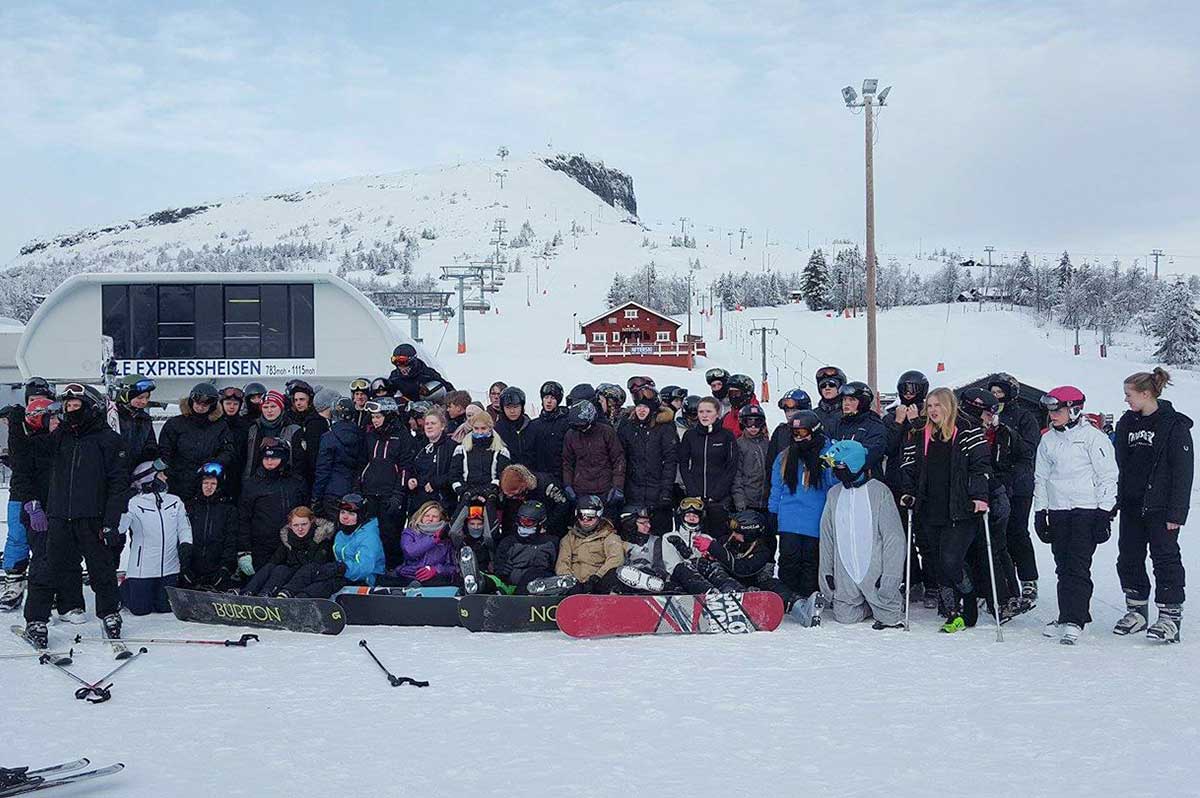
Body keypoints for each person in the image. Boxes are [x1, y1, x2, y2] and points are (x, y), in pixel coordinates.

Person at [22, 384, 128, 648]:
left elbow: (118, 483)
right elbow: (27, 455)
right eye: (67, 406)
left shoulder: (109, 440)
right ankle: (36, 619)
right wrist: (21, 423)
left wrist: (111, 521)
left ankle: (109, 613)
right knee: (46, 567)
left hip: (93, 518)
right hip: (58, 516)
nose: (70, 411)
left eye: (75, 405)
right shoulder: (60, 437)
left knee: (101, 569)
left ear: (91, 407)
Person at [899, 387, 991, 634]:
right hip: (930, 507)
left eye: (937, 405)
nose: (932, 410)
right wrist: (908, 492)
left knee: (952, 561)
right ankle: (952, 612)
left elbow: (981, 465)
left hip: (960, 508)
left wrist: (980, 496)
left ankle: (969, 600)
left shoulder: (968, 430)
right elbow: (908, 465)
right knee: (938, 563)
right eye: (929, 406)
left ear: (950, 406)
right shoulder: (919, 432)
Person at [1033, 386, 1118, 644]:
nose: (1052, 415)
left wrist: (1104, 513)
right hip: (1059, 510)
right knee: (1062, 566)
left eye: (1057, 410)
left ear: (1074, 410)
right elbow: (1041, 478)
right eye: (1050, 410)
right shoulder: (1048, 440)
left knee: (1078, 566)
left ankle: (1075, 620)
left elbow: (1108, 476)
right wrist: (1041, 512)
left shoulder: (1093, 438)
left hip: (1086, 510)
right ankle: (1068, 614)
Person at [1113, 368, 1191, 643]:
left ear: (1146, 394)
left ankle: (1170, 617)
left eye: (1129, 395)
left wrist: (1177, 512)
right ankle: (1136, 611)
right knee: (1129, 557)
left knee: (1165, 559)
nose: (1126, 400)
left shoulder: (1173, 425)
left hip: (1162, 507)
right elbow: (1119, 464)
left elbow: (1183, 472)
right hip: (1132, 505)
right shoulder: (1127, 423)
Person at [819, 440, 906, 629]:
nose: (835, 471)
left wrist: (890, 576)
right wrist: (826, 573)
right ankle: (863, 604)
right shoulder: (834, 494)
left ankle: (876, 601)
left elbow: (895, 538)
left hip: (876, 574)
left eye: (839, 466)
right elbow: (827, 537)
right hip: (846, 572)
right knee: (845, 617)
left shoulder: (879, 491)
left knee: (889, 616)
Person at [959, 387, 1025, 620]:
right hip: (983, 494)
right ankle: (1000, 596)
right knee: (986, 549)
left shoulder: (984, 432)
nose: (992, 418)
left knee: (991, 548)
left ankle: (1003, 599)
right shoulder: (968, 430)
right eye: (988, 413)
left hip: (990, 496)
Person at [768, 410, 835, 602]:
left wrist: (829, 463)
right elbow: (777, 487)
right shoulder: (785, 456)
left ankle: (809, 596)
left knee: (811, 560)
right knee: (789, 559)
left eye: (802, 433)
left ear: (814, 431)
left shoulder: (827, 452)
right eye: (794, 433)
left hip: (816, 517)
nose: (798, 437)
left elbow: (833, 483)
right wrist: (772, 512)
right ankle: (787, 597)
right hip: (790, 517)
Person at [987, 372, 1041, 608]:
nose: (996, 397)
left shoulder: (1024, 416)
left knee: (1017, 531)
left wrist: (1006, 430)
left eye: (1000, 393)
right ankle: (1000, 583)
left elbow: (1029, 448)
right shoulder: (986, 415)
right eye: (993, 393)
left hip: (1018, 484)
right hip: (994, 483)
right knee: (996, 535)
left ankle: (1029, 578)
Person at [1, 397, 56, 613]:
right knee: (17, 536)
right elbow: (17, 453)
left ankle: (47, 585)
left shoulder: (56, 438)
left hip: (48, 496)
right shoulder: (22, 436)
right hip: (21, 494)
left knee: (48, 543)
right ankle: (14, 581)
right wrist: (15, 422)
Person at [118, 460, 192, 615]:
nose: (165, 478)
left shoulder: (175, 501)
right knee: (140, 610)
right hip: (142, 569)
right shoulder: (133, 503)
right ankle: (124, 588)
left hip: (170, 566)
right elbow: (120, 528)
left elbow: (184, 526)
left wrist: (186, 544)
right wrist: (122, 506)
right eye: (161, 475)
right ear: (149, 479)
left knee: (165, 608)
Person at [238, 437, 308, 575]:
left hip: (291, 546)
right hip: (262, 548)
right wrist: (243, 551)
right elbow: (243, 519)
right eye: (266, 458)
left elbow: (306, 513)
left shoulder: (296, 482)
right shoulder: (252, 485)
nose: (270, 462)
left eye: (274, 458)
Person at [357, 397, 413, 567]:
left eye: (378, 417)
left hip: (391, 493)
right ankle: (374, 566)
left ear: (388, 415)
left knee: (390, 534)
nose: (375, 421)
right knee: (371, 533)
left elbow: (405, 466)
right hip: (370, 491)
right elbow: (362, 463)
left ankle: (393, 568)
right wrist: (359, 487)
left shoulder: (402, 435)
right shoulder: (370, 435)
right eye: (373, 417)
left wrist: (398, 494)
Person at [159, 382, 236, 504]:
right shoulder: (175, 424)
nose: (200, 407)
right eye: (198, 403)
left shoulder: (220, 426)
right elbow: (165, 450)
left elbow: (228, 450)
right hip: (179, 481)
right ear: (191, 401)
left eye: (205, 405)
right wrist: (167, 471)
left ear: (212, 405)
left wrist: (214, 464)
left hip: (207, 480)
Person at [616, 387, 678, 531]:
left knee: (658, 535)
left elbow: (670, 462)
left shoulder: (665, 428)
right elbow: (621, 458)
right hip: (633, 493)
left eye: (646, 407)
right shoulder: (628, 427)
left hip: (657, 493)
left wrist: (666, 492)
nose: (641, 410)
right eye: (639, 406)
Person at [241, 506, 334, 597]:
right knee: (275, 568)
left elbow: (315, 565)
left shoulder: (321, 539)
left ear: (311, 522)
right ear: (290, 526)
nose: (300, 528)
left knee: (294, 569)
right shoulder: (288, 539)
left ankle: (275, 594)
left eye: (304, 524)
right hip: (289, 578)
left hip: (308, 579)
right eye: (296, 525)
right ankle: (249, 591)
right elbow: (274, 561)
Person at [678, 397, 738, 533]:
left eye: (708, 411)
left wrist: (716, 494)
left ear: (717, 413)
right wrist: (693, 492)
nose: (704, 415)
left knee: (716, 539)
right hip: (695, 499)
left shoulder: (727, 436)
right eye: (701, 411)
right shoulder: (690, 435)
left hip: (719, 499)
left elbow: (731, 466)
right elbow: (683, 464)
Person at [562, 400, 626, 517]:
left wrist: (617, 486)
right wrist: (568, 485)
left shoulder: (606, 432)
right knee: (584, 522)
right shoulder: (571, 435)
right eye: (577, 427)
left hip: (605, 489)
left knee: (606, 524)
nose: (581, 429)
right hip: (580, 490)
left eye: (582, 426)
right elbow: (567, 463)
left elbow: (618, 460)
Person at [182, 463, 238, 592]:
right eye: (205, 483)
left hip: (217, 569)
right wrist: (183, 566)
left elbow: (231, 539)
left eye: (213, 484)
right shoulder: (189, 507)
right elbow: (181, 536)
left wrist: (225, 567)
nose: (209, 487)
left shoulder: (228, 509)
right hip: (191, 568)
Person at [495, 500, 568, 594]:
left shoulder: (551, 542)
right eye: (521, 520)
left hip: (541, 587)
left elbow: (556, 567)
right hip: (511, 587)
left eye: (528, 522)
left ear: (540, 522)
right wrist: (502, 569)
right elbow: (499, 567)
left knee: (533, 574)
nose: (523, 525)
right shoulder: (509, 542)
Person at [312, 397, 366, 520]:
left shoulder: (329, 437)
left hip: (332, 491)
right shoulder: (362, 435)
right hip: (354, 491)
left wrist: (316, 497)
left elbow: (323, 469)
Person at [556, 495, 623, 593]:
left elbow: (616, 559)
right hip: (573, 586)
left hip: (599, 584)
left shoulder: (609, 536)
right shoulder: (569, 538)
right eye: (581, 516)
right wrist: (570, 580)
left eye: (590, 518)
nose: (585, 521)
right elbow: (562, 563)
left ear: (599, 515)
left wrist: (597, 577)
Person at [382, 501, 458, 587]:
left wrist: (436, 570)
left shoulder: (446, 539)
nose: (430, 519)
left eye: (435, 516)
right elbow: (410, 552)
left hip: (436, 580)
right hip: (409, 576)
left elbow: (453, 567)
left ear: (440, 519)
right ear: (421, 516)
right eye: (427, 515)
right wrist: (433, 539)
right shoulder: (410, 532)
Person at [449, 410, 511, 512]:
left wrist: (490, 489)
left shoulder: (501, 450)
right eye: (476, 428)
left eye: (483, 428)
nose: (479, 432)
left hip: (491, 498)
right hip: (466, 497)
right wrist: (464, 491)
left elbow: (503, 475)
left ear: (490, 428)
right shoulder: (461, 448)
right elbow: (454, 474)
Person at [406, 408, 458, 517]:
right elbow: (411, 467)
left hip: (441, 500)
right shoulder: (419, 445)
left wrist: (436, 482)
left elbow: (455, 473)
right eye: (427, 424)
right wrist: (412, 478)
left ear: (442, 426)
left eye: (433, 423)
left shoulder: (452, 446)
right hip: (418, 501)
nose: (429, 426)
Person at [498, 464, 572, 537]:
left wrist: (546, 525)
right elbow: (509, 516)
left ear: (525, 484)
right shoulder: (509, 496)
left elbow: (563, 505)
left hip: (550, 526)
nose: (517, 498)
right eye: (511, 497)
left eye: (518, 494)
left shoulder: (547, 485)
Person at [284, 380, 329, 493]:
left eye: (302, 399)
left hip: (313, 472)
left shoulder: (317, 421)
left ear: (309, 400)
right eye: (296, 400)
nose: (298, 403)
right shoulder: (290, 419)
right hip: (297, 471)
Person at [835, 381, 887, 476]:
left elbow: (871, 454)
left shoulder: (874, 425)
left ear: (863, 402)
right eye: (844, 399)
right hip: (843, 481)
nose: (846, 403)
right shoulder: (841, 424)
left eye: (852, 400)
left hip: (868, 480)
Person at [612, 507, 669, 594]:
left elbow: (660, 565)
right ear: (631, 524)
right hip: (625, 582)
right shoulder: (619, 542)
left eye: (649, 522)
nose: (648, 526)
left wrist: (657, 574)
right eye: (643, 523)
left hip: (649, 582)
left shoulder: (655, 541)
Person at [525, 381, 570, 485]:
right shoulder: (533, 425)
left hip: (561, 478)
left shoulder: (566, 423)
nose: (549, 401)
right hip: (540, 479)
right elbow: (529, 454)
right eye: (546, 397)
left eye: (553, 398)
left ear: (558, 400)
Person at [732, 404, 771, 513]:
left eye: (757, 423)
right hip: (748, 501)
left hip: (766, 500)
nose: (753, 427)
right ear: (743, 423)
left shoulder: (768, 444)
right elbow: (736, 475)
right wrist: (739, 500)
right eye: (749, 423)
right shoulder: (739, 445)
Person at [114, 374, 158, 465]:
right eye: (140, 397)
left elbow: (151, 443)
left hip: (135, 470)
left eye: (147, 398)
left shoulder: (144, 418)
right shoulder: (112, 415)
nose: (144, 402)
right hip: (113, 469)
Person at [388, 343, 453, 403]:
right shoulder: (394, 376)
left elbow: (448, 389)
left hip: (428, 409)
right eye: (394, 360)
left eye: (402, 360)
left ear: (412, 359)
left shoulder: (427, 374)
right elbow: (387, 394)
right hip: (404, 410)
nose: (399, 365)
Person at [766, 388, 813, 473]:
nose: (790, 414)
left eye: (794, 410)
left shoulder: (814, 431)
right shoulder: (780, 432)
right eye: (787, 410)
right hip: (782, 481)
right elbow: (770, 463)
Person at [494, 386, 533, 467]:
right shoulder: (497, 430)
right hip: (507, 475)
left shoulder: (532, 427)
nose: (512, 411)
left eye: (515, 407)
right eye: (508, 407)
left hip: (531, 474)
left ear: (522, 407)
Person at [813, 366, 848, 438]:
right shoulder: (813, 415)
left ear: (841, 387)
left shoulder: (848, 413)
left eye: (832, 385)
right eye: (823, 386)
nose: (827, 388)